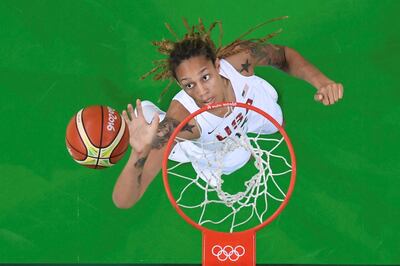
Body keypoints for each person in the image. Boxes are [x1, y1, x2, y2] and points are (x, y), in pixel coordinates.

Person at [112, 18, 344, 209]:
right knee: (235, 161)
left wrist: (322, 82)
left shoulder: (239, 61)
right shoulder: (181, 123)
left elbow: (283, 56)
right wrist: (139, 152)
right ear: (179, 84)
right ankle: (153, 115)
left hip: (248, 109)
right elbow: (124, 201)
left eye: (205, 77)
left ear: (217, 65)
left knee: (276, 121)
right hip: (212, 144)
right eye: (189, 85)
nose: (202, 92)